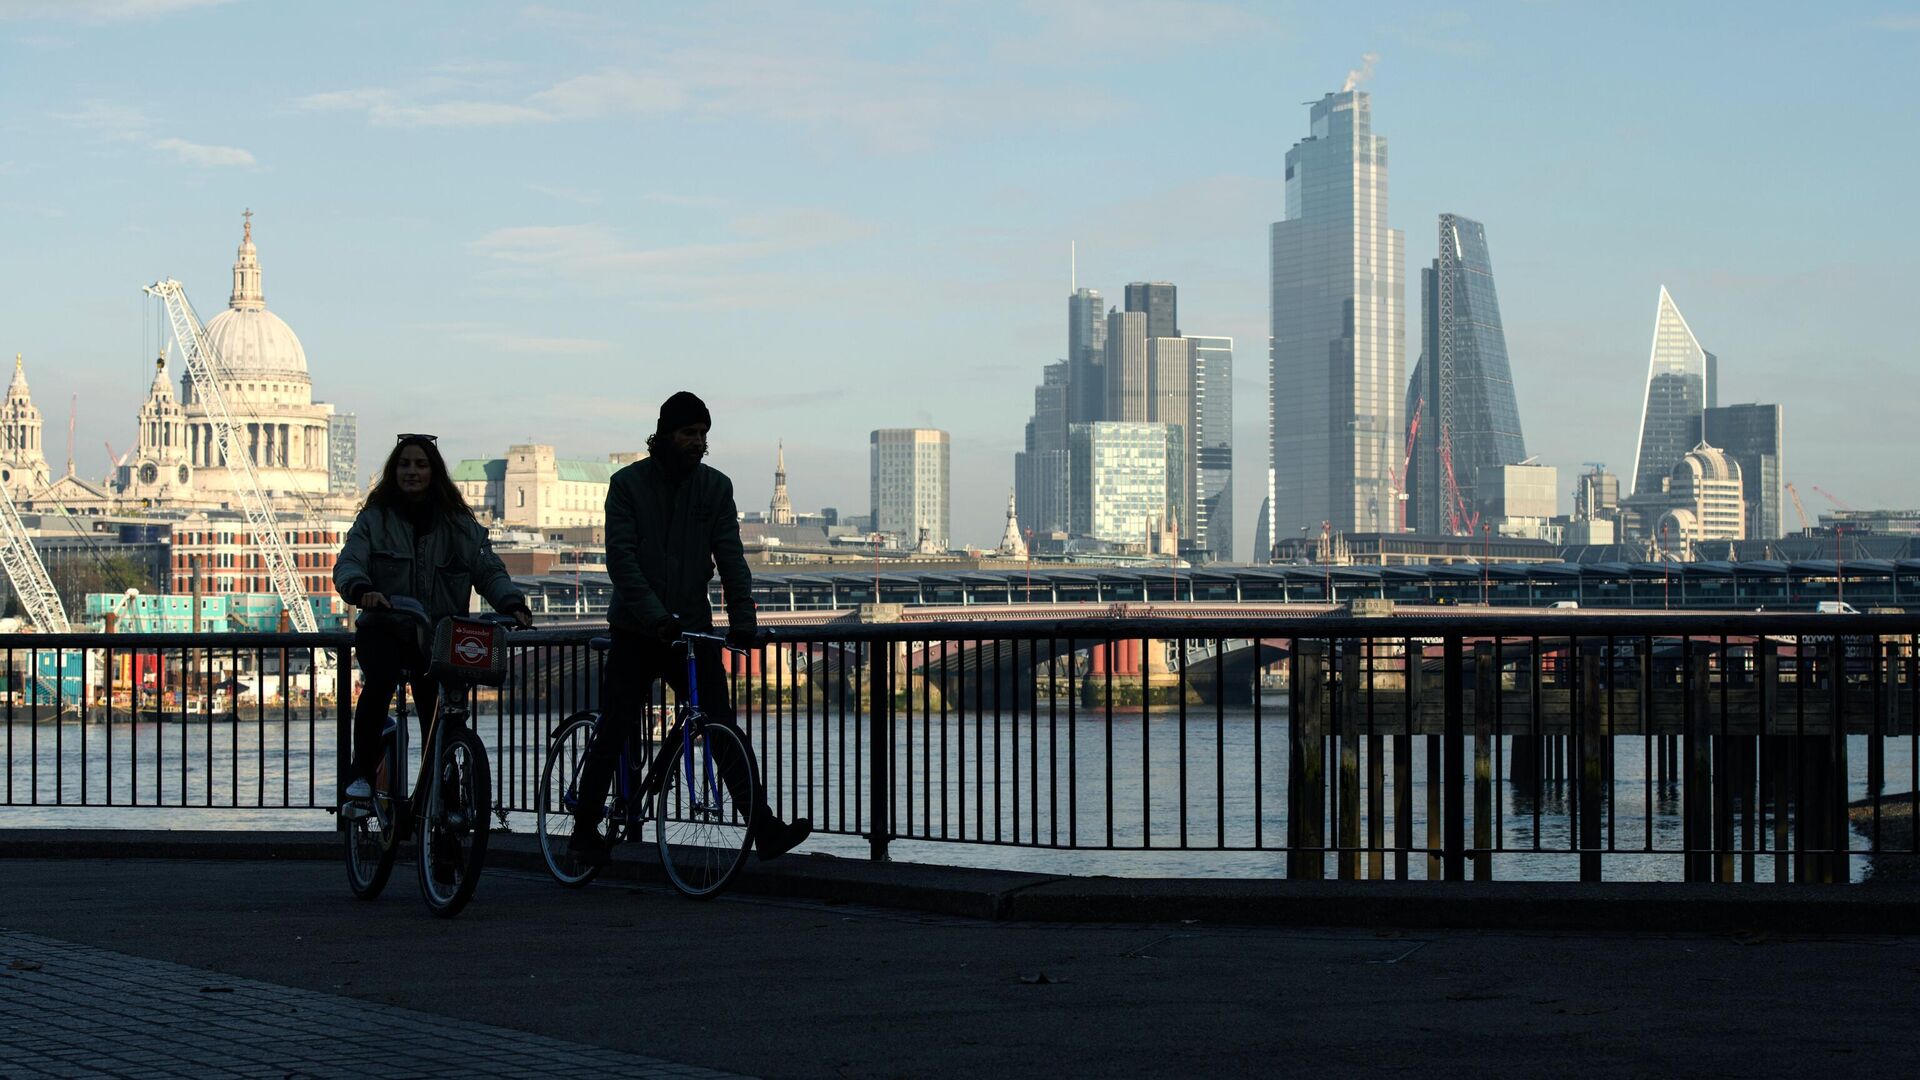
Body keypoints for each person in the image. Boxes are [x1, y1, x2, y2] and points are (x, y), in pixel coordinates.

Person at [569, 391, 810, 865]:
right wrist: (654, 615)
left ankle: (763, 830)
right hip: (637, 631)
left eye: (703, 435)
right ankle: (583, 831)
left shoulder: (716, 488)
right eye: (688, 434)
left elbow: (731, 558)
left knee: (721, 729)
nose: (697, 442)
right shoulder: (627, 485)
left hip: (692, 630)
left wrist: (743, 620)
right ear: (663, 435)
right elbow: (622, 560)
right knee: (616, 725)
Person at [334, 434, 533, 805]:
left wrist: (511, 602)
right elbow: (349, 562)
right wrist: (362, 589)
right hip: (387, 628)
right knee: (378, 685)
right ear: (394, 471)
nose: (412, 471)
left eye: (421, 465)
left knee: (441, 716)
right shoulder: (374, 520)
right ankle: (362, 772)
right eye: (405, 464)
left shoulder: (459, 526)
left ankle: (444, 795)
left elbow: (488, 569)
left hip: (439, 637)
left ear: (434, 472)